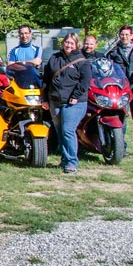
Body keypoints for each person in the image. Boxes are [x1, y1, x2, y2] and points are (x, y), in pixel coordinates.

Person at [42, 33, 91, 174]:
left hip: (74, 103)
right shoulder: (54, 58)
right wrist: (44, 98)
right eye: (66, 42)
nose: (68, 45)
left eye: (71, 43)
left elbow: (85, 82)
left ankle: (71, 162)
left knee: (68, 130)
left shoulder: (82, 61)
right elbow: (46, 79)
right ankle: (64, 159)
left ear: (77, 45)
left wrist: (75, 96)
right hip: (55, 101)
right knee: (60, 131)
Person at [106, 25, 133, 156]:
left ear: (132, 36)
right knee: (121, 118)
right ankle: (121, 147)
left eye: (127, 35)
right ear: (119, 36)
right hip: (121, 90)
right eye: (122, 34)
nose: (124, 37)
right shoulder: (112, 53)